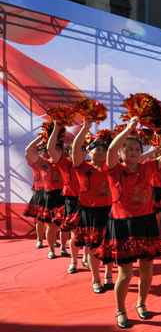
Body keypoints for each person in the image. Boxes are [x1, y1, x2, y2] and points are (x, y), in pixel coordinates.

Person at [95, 116, 161, 329]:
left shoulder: (148, 167)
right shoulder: (114, 169)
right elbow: (111, 149)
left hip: (147, 223)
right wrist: (129, 129)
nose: (133, 152)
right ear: (122, 152)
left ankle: (141, 304)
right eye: (129, 149)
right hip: (122, 225)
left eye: (137, 149)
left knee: (147, 272)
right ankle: (120, 310)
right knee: (125, 275)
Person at [70, 120, 114, 289]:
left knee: (110, 246)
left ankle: (109, 275)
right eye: (98, 149)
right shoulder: (82, 167)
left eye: (104, 150)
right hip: (90, 213)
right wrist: (85, 128)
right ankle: (96, 279)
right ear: (89, 151)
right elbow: (76, 148)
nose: (101, 152)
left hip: (110, 212)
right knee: (94, 248)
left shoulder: (113, 168)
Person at [25, 133, 64, 259]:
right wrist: (43, 138)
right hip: (44, 193)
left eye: (59, 149)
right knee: (43, 220)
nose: (56, 151)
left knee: (64, 224)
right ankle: (42, 242)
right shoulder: (41, 162)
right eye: (53, 149)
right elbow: (28, 151)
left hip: (63, 195)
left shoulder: (66, 163)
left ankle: (62, 246)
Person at [47, 127, 81, 264]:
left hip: (83, 201)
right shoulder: (65, 163)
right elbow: (50, 149)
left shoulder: (89, 166)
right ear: (70, 153)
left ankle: (67, 250)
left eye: (82, 150)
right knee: (54, 225)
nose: (79, 153)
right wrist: (56, 129)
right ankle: (51, 249)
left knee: (77, 230)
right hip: (65, 198)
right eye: (76, 150)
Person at [23, 137, 47, 250]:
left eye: (46, 151)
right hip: (39, 192)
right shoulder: (35, 163)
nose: (45, 153)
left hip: (53, 193)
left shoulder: (55, 162)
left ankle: (52, 239)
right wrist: (40, 143)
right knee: (40, 219)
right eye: (42, 151)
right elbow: (27, 153)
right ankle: (39, 240)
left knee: (53, 219)